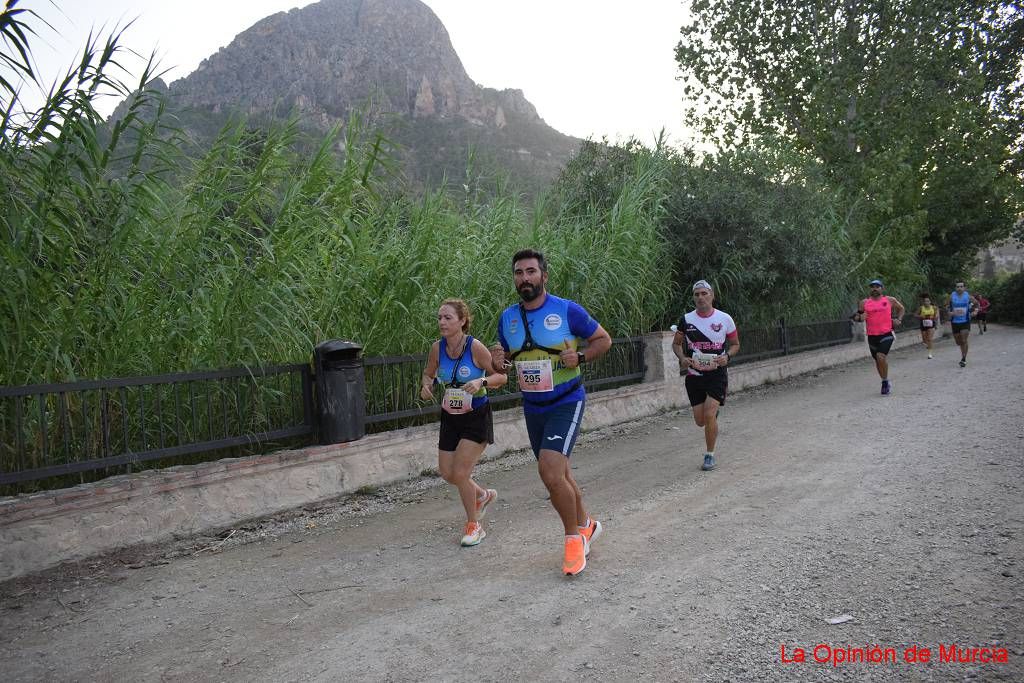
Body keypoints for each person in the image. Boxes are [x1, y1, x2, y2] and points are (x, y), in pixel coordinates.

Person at [490, 249, 612, 576]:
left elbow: (603, 340)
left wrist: (581, 358)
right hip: (533, 406)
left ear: (544, 276)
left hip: (566, 401)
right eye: (519, 272)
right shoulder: (507, 319)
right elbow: (503, 367)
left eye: (531, 271)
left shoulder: (567, 310)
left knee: (550, 471)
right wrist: (497, 361)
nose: (525, 278)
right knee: (561, 474)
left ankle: (574, 541)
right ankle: (586, 525)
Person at [420, 298, 507, 547]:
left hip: (476, 415)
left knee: (460, 473)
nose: (442, 322)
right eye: (439, 317)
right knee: (447, 473)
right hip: (450, 416)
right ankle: (481, 494)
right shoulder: (437, 348)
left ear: (462, 321)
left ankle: (474, 525)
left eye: (448, 317)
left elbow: (500, 376)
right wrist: (426, 386)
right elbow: (429, 373)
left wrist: (482, 382)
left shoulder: (475, 347)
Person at [671, 280, 740, 472]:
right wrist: (683, 358)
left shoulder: (725, 319)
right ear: (694, 298)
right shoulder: (686, 319)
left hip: (717, 375)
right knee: (700, 420)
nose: (700, 297)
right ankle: (711, 417)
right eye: (697, 294)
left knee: (709, 414)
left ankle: (709, 455)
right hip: (694, 376)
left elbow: (735, 344)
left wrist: (727, 356)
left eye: (704, 293)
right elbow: (676, 344)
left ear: (712, 295)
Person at [850, 279, 906, 395]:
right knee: (877, 361)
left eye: (877, 286)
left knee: (881, 357)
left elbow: (901, 309)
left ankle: (885, 383)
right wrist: (860, 318)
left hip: (886, 333)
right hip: (872, 336)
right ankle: (884, 380)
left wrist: (899, 319)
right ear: (870, 289)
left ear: (882, 288)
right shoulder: (864, 302)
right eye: (872, 287)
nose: (874, 288)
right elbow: (856, 317)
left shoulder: (889, 300)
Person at [946, 281, 980, 367]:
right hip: (955, 321)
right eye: (957, 287)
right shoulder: (951, 296)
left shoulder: (968, 296)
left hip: (965, 321)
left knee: (964, 340)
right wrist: (949, 312)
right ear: (955, 288)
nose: (959, 288)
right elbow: (946, 305)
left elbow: (977, 304)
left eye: (961, 286)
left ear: (964, 288)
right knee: (958, 342)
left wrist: (975, 312)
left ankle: (963, 359)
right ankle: (963, 354)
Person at [914, 292, 939, 359]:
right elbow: (915, 315)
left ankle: (930, 353)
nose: (926, 302)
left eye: (928, 301)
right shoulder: (921, 308)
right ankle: (927, 344)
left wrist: (933, 317)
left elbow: (937, 316)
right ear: (923, 302)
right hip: (923, 324)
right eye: (925, 301)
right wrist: (921, 316)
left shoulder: (934, 307)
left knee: (930, 339)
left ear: (930, 301)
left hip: (931, 324)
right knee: (924, 340)